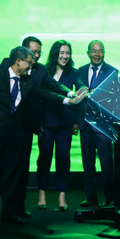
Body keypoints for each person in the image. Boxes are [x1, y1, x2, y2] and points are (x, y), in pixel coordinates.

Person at [0, 47, 69, 225]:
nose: (31, 65)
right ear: (18, 61)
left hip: (15, 135)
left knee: (12, 174)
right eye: (28, 61)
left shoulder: (28, 81)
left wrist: (68, 100)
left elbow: (45, 94)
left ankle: (9, 213)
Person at [0, 36, 85, 219]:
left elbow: (49, 90)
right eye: (32, 52)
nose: (35, 56)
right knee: (13, 166)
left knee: (32, 165)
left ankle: (18, 209)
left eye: (38, 52)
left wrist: (70, 96)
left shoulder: (41, 71)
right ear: (20, 56)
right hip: (17, 124)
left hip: (41, 124)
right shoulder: (6, 67)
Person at [36, 40, 80, 211]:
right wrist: (37, 122)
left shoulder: (73, 72)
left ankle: (62, 195)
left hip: (65, 123)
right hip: (45, 122)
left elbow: (79, 90)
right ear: (55, 54)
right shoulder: (44, 71)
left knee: (63, 158)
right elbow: (38, 96)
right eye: (62, 53)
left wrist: (75, 121)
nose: (65, 56)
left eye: (67, 53)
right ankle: (42, 193)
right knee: (44, 157)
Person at [75, 40, 118, 207]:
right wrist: (76, 122)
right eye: (94, 51)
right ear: (88, 53)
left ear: (104, 53)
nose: (97, 54)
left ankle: (110, 198)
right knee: (88, 165)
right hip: (85, 125)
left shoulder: (112, 72)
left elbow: (116, 100)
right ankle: (91, 198)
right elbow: (76, 99)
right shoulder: (80, 71)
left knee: (107, 165)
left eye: (100, 51)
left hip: (103, 127)